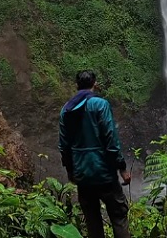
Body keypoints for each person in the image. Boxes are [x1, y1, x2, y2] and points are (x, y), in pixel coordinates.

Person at [58, 70, 131, 238]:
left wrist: (71, 171)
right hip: (104, 173)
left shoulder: (66, 110)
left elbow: (64, 145)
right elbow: (111, 139)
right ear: (95, 84)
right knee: (119, 216)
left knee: (92, 221)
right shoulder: (100, 105)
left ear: (77, 86)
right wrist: (121, 168)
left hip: (82, 175)